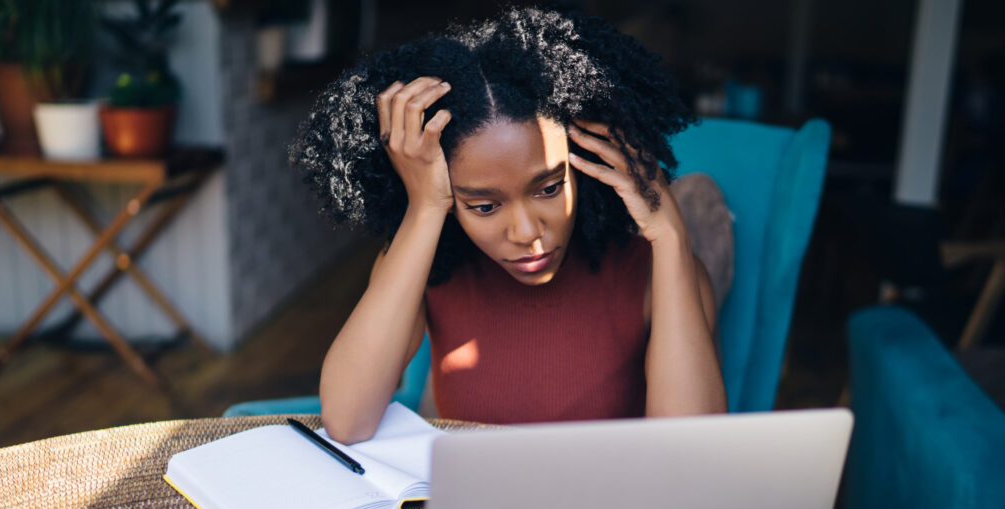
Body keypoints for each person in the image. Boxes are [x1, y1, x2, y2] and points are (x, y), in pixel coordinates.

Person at [291, 7, 727, 443]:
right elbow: (347, 421)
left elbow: (688, 454)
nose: (526, 232)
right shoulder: (431, 268)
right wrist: (425, 206)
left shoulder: (654, 271)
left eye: (549, 188)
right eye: (484, 206)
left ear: (587, 165)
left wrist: (670, 236)